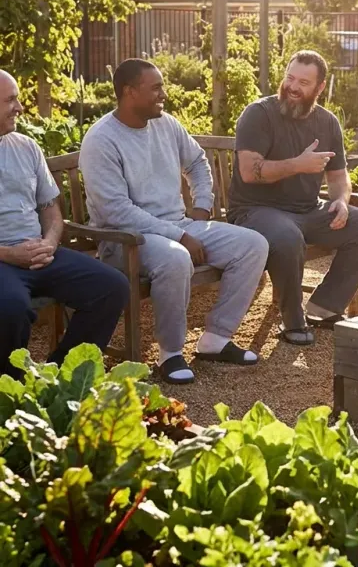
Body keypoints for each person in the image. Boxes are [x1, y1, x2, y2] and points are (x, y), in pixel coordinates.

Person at [79, 59, 269, 384]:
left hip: (178, 227)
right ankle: (170, 353)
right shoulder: (101, 140)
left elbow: (197, 162)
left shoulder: (167, 125)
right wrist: (178, 235)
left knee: (253, 245)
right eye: (155, 88)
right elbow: (116, 211)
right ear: (129, 91)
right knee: (176, 258)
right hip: (125, 240)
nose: (163, 94)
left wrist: (202, 206)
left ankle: (216, 338)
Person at [228, 50, 358, 346]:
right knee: (288, 236)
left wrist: (341, 201)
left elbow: (338, 176)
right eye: (290, 78)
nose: (293, 87)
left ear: (320, 87)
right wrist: (298, 165)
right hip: (255, 210)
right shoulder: (258, 114)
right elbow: (249, 172)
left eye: (303, 82)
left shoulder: (327, 122)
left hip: (308, 210)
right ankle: (292, 318)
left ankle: (324, 307)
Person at [0, 70, 129, 377]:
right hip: (3, 260)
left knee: (112, 287)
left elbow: (50, 208)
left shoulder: (26, 146)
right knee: (10, 308)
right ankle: (10, 387)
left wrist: (49, 242)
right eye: (10, 100)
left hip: (40, 253)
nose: (19, 107)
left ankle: (59, 376)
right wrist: (9, 254)